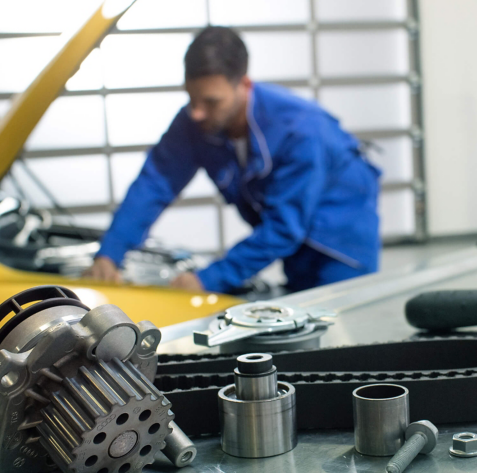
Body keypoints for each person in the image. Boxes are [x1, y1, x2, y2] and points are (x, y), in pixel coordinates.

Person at [85, 26, 380, 293]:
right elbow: (155, 183)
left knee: (335, 333)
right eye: (192, 98)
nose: (197, 112)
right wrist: (110, 252)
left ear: (244, 85)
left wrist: (209, 279)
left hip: (341, 246)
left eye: (211, 102)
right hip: (294, 246)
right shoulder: (194, 121)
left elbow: (284, 226)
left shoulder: (301, 130)